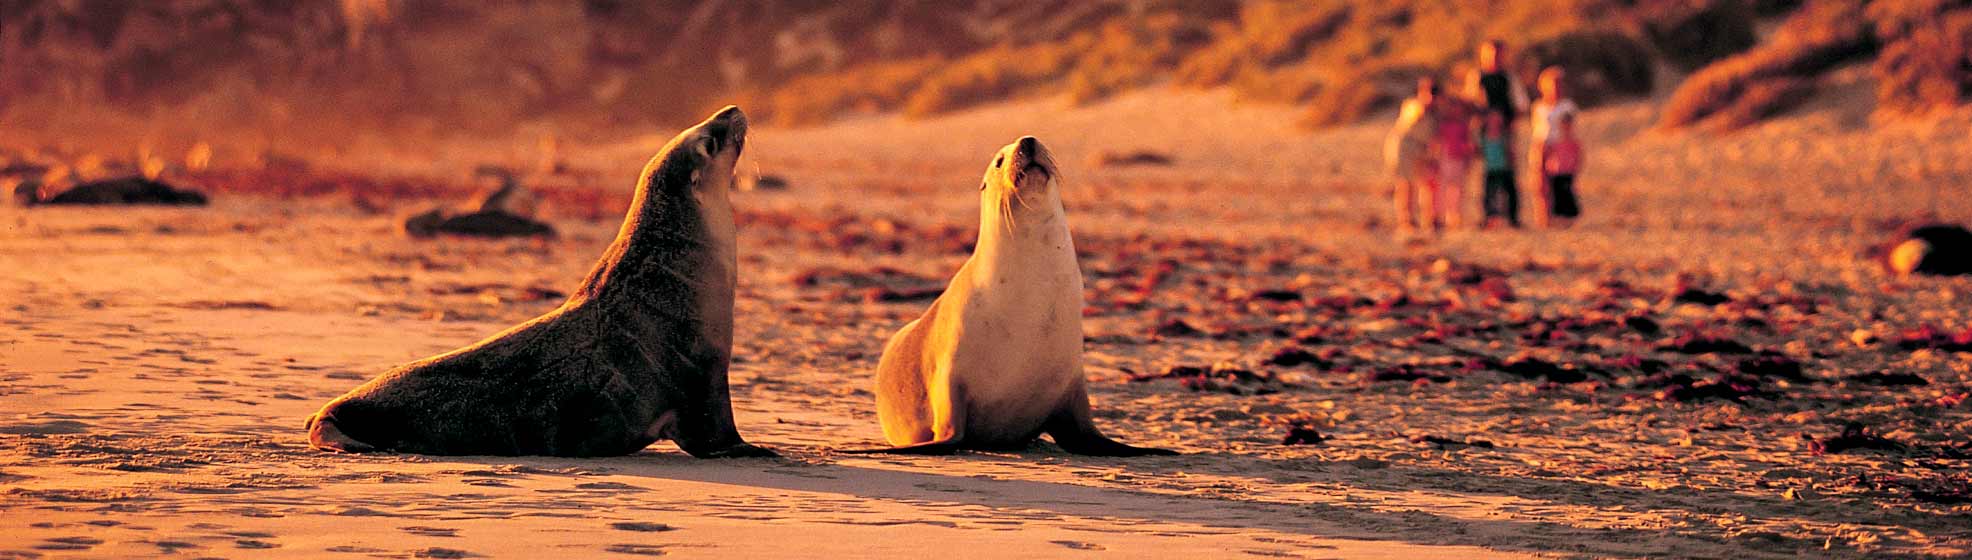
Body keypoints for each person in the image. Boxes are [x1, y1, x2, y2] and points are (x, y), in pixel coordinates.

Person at [1462, 39, 1530, 226]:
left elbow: (1521, 105)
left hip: (1506, 132)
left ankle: (1513, 216)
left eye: (1497, 53)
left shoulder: (1509, 78)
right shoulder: (1477, 76)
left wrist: (1507, 123)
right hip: (1485, 132)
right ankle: (1489, 216)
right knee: (1488, 175)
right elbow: (1469, 103)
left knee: (1509, 173)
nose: (1494, 58)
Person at [1385, 78, 1441, 237]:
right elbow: (1416, 113)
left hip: (1422, 150)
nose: (1430, 97)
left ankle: (1429, 218)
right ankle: (1406, 219)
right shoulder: (1412, 105)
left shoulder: (1436, 112)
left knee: (1427, 183)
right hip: (1405, 147)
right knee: (1405, 184)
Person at [1528, 66, 1579, 226]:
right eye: (1550, 84)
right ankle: (1542, 217)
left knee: (1559, 184)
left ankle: (1562, 216)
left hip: (1559, 148)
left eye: (1558, 84)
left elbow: (1570, 127)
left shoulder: (1568, 106)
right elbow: (1536, 128)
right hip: (1540, 146)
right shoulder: (1538, 106)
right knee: (1539, 183)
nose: (1554, 88)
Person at [1430, 88, 1481, 230]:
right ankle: (1437, 216)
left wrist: (1468, 152)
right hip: (1445, 160)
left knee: (1457, 190)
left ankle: (1455, 217)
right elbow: (1437, 143)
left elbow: (1469, 143)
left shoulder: (1465, 126)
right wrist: (1434, 158)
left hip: (1459, 161)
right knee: (1442, 190)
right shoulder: (1443, 125)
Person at [1541, 113, 1584, 227]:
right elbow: (1547, 154)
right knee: (1557, 194)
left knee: (1568, 193)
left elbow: (1579, 156)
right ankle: (1558, 217)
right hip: (1555, 171)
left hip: (1568, 172)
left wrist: (1576, 166)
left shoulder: (1574, 141)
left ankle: (1569, 216)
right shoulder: (1555, 141)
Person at [1479, 113, 1518, 228]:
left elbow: (1510, 152)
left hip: (1504, 169)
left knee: (1510, 194)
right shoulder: (1483, 136)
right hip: (1491, 169)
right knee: (1489, 195)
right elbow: (1480, 152)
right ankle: (1489, 218)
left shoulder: (1505, 136)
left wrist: (1511, 165)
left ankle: (1512, 218)